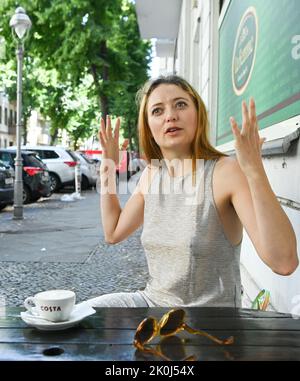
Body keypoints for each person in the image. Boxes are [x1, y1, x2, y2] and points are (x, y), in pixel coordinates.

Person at [86, 75, 298, 308]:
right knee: (76, 316)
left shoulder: (224, 172)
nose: (170, 116)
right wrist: (108, 164)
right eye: (157, 111)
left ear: (198, 114)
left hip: (206, 322)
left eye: (180, 104)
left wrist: (255, 170)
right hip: (152, 304)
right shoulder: (152, 174)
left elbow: (284, 262)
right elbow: (113, 232)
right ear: (148, 127)